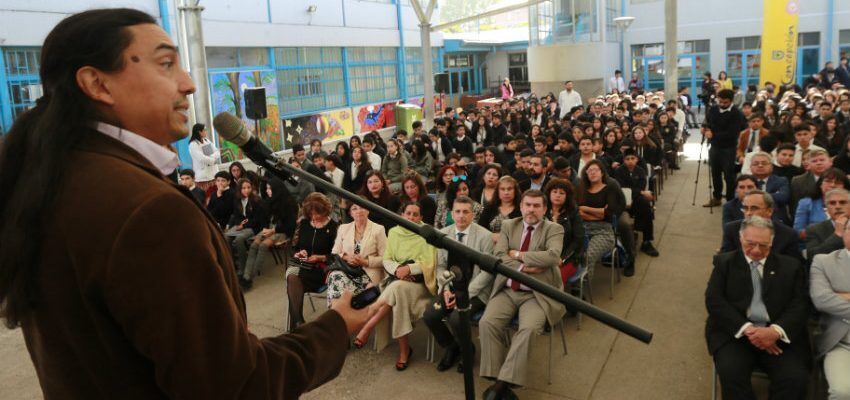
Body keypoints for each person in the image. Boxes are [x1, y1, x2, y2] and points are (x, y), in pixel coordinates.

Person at [0, 9, 369, 399]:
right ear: (97, 84)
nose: (189, 84)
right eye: (165, 64)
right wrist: (335, 325)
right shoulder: (148, 210)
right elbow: (235, 387)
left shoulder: (54, 183)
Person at [705, 216, 811, 400]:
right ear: (740, 239)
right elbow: (715, 301)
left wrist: (775, 332)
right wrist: (750, 331)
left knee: (794, 378)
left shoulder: (791, 267)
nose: (755, 250)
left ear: (772, 242)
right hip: (736, 334)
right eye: (750, 243)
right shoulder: (724, 263)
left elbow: (800, 304)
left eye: (763, 245)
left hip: (779, 336)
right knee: (731, 373)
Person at [479, 190, 565, 399]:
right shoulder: (509, 225)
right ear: (521, 206)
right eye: (528, 205)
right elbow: (499, 256)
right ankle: (500, 380)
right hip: (508, 289)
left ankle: (499, 386)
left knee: (527, 330)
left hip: (537, 294)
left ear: (544, 209)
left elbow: (553, 256)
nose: (531, 210)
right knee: (487, 323)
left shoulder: (555, 228)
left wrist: (517, 255)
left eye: (536, 206)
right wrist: (523, 267)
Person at [354, 202, 438, 371]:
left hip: (420, 285)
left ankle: (368, 322)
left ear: (421, 218)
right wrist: (399, 270)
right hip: (396, 281)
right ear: (402, 215)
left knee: (397, 289)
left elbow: (431, 262)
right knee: (398, 293)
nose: (411, 217)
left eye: (416, 215)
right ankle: (404, 350)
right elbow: (387, 259)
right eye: (408, 213)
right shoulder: (394, 232)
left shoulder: (427, 233)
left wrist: (410, 269)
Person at [422, 196, 495, 372]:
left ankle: (467, 351)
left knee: (457, 319)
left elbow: (487, 272)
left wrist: (466, 294)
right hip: (451, 287)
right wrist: (446, 289)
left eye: (465, 212)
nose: (461, 216)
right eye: (457, 211)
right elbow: (440, 266)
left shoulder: (484, 236)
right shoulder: (443, 235)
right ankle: (452, 347)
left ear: (473, 215)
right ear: (451, 214)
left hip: (475, 290)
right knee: (430, 315)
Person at [327, 202, 387, 325]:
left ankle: (338, 324)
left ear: (368, 211)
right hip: (347, 271)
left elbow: (386, 258)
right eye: (354, 208)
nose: (359, 211)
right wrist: (347, 257)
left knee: (341, 294)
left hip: (368, 274)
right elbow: (335, 251)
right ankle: (338, 321)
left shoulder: (378, 229)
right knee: (335, 277)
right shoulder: (344, 228)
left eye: (362, 207)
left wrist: (365, 261)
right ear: (350, 213)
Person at [285, 193, 340, 328]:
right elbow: (293, 248)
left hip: (322, 270)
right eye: (311, 214)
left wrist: (320, 257)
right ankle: (299, 323)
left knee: (292, 280)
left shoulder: (335, 227)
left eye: (318, 214)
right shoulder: (303, 224)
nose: (314, 218)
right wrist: (299, 253)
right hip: (303, 267)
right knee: (292, 278)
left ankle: (297, 326)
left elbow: (338, 255)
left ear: (325, 210)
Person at [238, 177, 298, 290]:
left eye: (269, 188)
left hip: (283, 230)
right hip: (270, 229)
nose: (267, 191)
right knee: (254, 245)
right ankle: (245, 276)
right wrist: (265, 229)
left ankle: (249, 278)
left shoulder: (289, 203)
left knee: (262, 246)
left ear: (276, 189)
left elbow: (289, 225)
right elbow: (265, 219)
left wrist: (272, 230)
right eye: (266, 188)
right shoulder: (269, 201)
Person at [810, 229, 850, 399]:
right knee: (842, 393)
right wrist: (833, 297)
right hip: (841, 344)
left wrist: (842, 295)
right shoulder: (824, 262)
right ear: (844, 233)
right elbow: (822, 299)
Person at [720, 190, 802, 261]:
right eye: (745, 208)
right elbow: (725, 261)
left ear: (769, 211)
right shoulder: (731, 230)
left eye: (754, 208)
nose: (748, 213)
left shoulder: (788, 235)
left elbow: (793, 267)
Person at [702, 89, 747, 206]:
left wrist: (713, 134)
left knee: (729, 175)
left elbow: (733, 133)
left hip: (729, 148)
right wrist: (705, 128)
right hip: (715, 146)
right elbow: (708, 122)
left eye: (725, 102)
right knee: (715, 173)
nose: (722, 104)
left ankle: (730, 200)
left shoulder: (737, 114)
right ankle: (717, 197)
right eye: (720, 102)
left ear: (731, 101)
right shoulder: (713, 109)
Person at [577, 160, 623, 274]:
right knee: (572, 253)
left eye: (595, 170)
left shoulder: (610, 188)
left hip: (604, 231)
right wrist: (600, 213)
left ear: (602, 173)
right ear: (586, 174)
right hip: (581, 229)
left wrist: (585, 208)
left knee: (588, 256)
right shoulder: (581, 189)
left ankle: (581, 288)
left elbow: (609, 214)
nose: (592, 173)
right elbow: (577, 213)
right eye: (589, 170)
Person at [614, 150, 659, 261]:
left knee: (645, 205)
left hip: (637, 199)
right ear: (623, 160)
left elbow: (641, 187)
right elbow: (621, 188)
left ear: (637, 159)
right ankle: (632, 235)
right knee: (642, 198)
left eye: (632, 159)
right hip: (622, 200)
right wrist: (640, 192)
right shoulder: (619, 171)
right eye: (627, 159)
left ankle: (646, 241)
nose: (630, 161)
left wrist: (639, 192)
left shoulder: (640, 171)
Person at [544, 178, 586, 281]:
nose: (557, 195)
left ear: (567, 196)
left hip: (568, 258)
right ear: (549, 194)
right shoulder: (542, 211)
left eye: (562, 193)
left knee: (553, 280)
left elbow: (578, 240)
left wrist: (563, 258)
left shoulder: (573, 213)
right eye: (554, 192)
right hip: (544, 255)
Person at [226, 178, 270, 275]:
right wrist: (240, 223)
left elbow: (258, 219)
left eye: (248, 187)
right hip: (242, 224)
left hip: (253, 227)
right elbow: (236, 215)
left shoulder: (257, 200)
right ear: (239, 190)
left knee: (239, 239)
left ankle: (243, 266)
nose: (246, 190)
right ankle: (233, 265)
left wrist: (244, 225)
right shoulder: (237, 200)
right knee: (226, 237)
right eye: (243, 188)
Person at [794, 169, 850, 238]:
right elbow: (798, 231)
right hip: (814, 244)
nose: (832, 185)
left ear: (844, 187)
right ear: (820, 184)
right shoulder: (806, 203)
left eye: (837, 183)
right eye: (828, 181)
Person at [805, 188, 850, 265]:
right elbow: (812, 257)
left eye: (842, 202)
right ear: (826, 208)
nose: (838, 206)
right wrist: (837, 235)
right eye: (832, 203)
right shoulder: (814, 229)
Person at [790, 149, 832, 216]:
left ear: (830, 162)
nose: (819, 163)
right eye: (814, 161)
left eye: (822, 160)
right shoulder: (797, 181)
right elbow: (795, 207)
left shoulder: (840, 179)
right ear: (808, 165)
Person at [187, 122, 220, 191]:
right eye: (204, 130)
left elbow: (217, 152)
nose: (206, 131)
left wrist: (211, 157)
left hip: (213, 174)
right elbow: (201, 158)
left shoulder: (207, 140)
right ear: (199, 132)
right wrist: (213, 160)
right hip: (203, 177)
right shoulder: (193, 144)